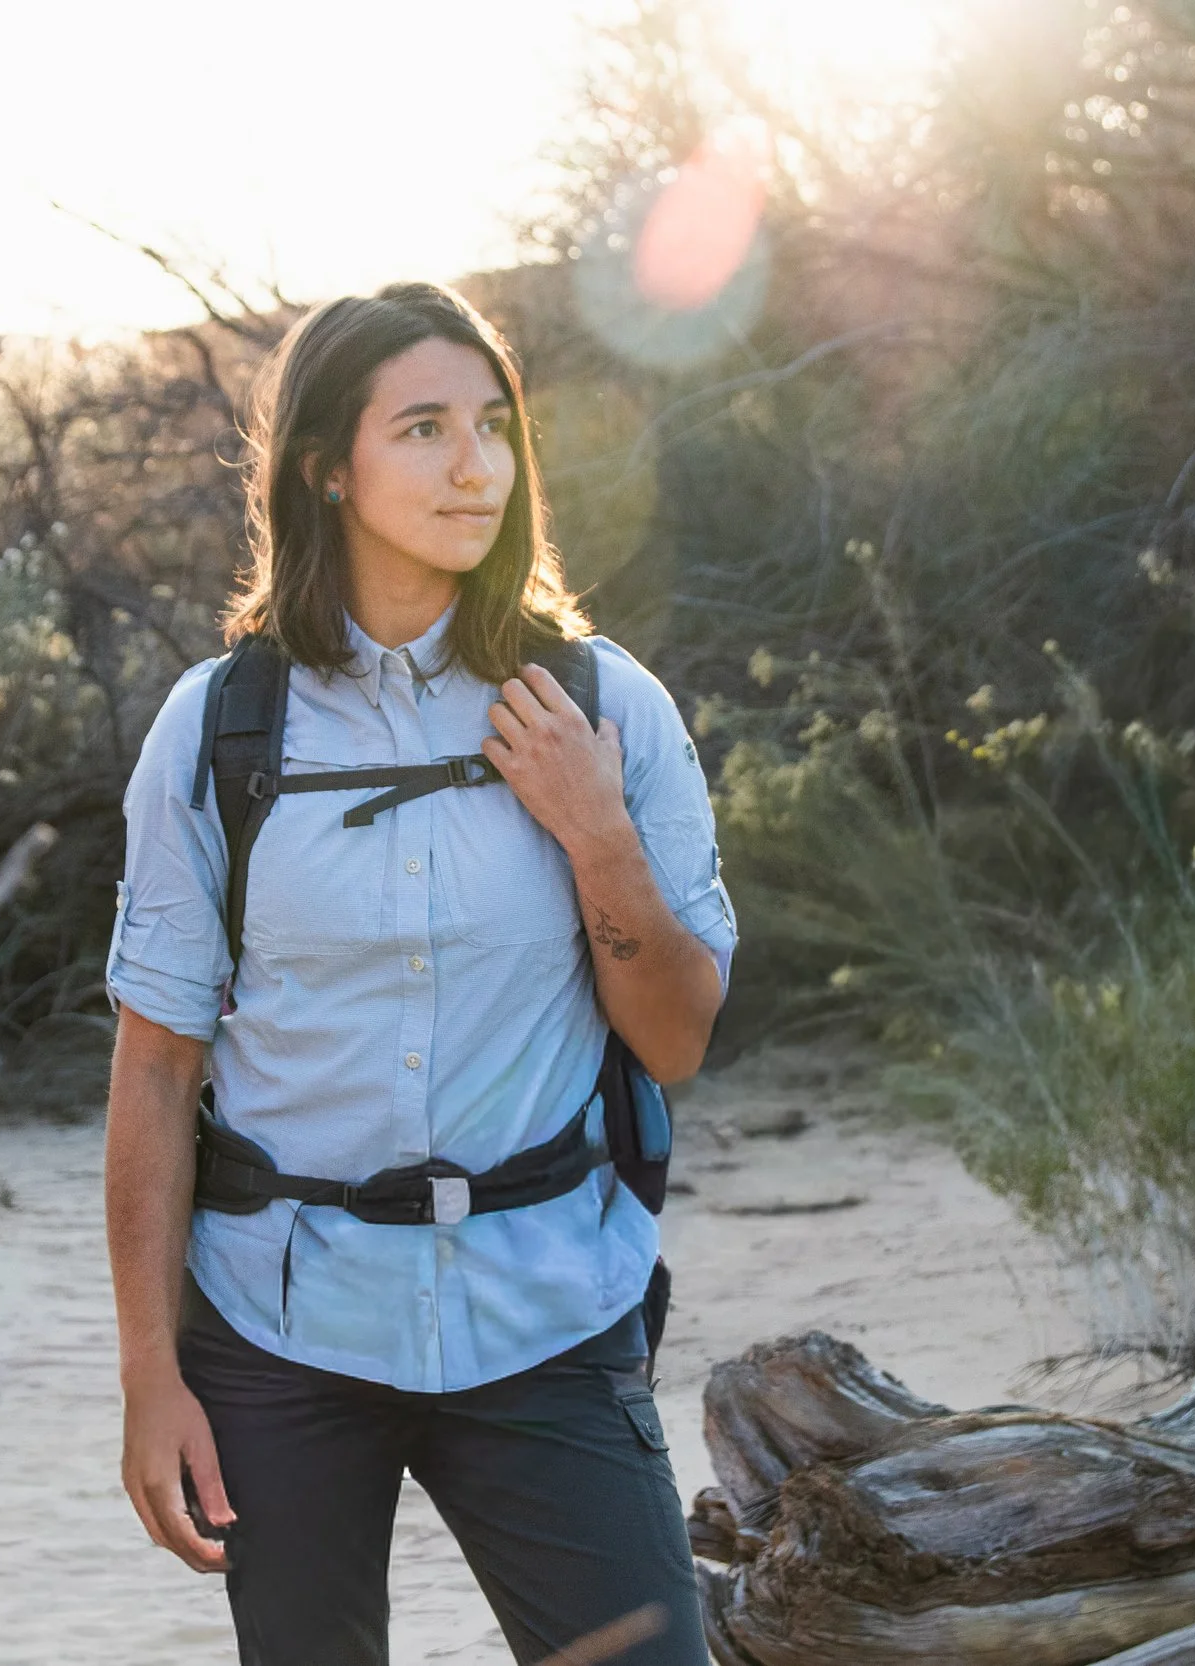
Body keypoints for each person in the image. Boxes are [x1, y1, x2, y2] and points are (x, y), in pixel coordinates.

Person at [103, 280, 735, 1666]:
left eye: (495, 427)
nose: (477, 467)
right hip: (281, 1332)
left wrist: (595, 828)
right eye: (428, 428)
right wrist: (152, 1375)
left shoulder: (603, 704)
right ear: (330, 466)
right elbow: (156, 1068)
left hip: (550, 1312)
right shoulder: (219, 730)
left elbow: (678, 1037)